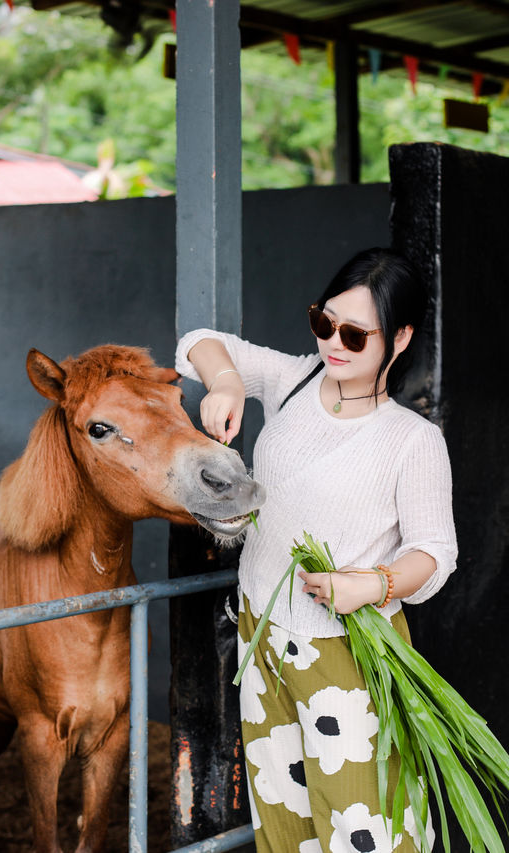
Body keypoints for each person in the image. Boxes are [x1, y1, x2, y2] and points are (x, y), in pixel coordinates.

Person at [174, 247, 457, 853]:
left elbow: (435, 551)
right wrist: (227, 385)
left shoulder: (411, 440)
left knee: (366, 825)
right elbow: (199, 340)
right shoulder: (296, 379)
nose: (334, 343)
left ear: (401, 339)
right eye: (324, 322)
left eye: (355, 334)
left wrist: (374, 584)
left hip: (348, 655)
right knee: (285, 819)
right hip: (263, 637)